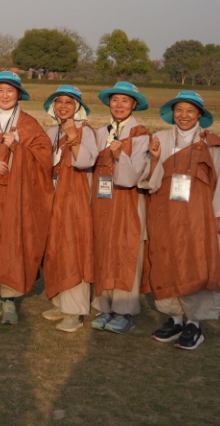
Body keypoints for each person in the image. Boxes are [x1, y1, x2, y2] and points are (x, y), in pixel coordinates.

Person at [143, 91, 220, 350]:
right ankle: (174, 318)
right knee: (165, 262)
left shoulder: (210, 144)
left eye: (190, 110)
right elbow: (150, 183)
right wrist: (154, 158)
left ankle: (194, 323)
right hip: (164, 213)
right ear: (172, 112)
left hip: (198, 216)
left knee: (196, 264)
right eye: (179, 109)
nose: (184, 115)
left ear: (200, 115)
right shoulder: (160, 139)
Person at [0, 71, 52, 325]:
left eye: (10, 90)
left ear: (18, 94)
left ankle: (9, 300)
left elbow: (44, 159)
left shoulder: (30, 124)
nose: (5, 95)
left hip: (17, 197)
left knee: (12, 243)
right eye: (0, 90)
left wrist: (17, 147)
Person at [90, 81, 152, 334]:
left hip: (128, 204)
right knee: (103, 252)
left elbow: (133, 176)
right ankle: (105, 306)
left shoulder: (141, 136)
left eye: (125, 100)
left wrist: (119, 155)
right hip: (102, 203)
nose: (119, 105)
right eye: (115, 100)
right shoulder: (99, 133)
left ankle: (125, 311)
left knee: (126, 254)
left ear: (134, 104)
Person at [40, 86, 98, 333]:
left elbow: (85, 161)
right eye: (59, 102)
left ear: (78, 107)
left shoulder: (87, 131)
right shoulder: (52, 132)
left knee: (74, 251)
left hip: (75, 200)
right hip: (53, 199)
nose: (63, 106)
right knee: (54, 250)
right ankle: (60, 303)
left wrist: (73, 135)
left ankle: (75, 310)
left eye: (69, 102)